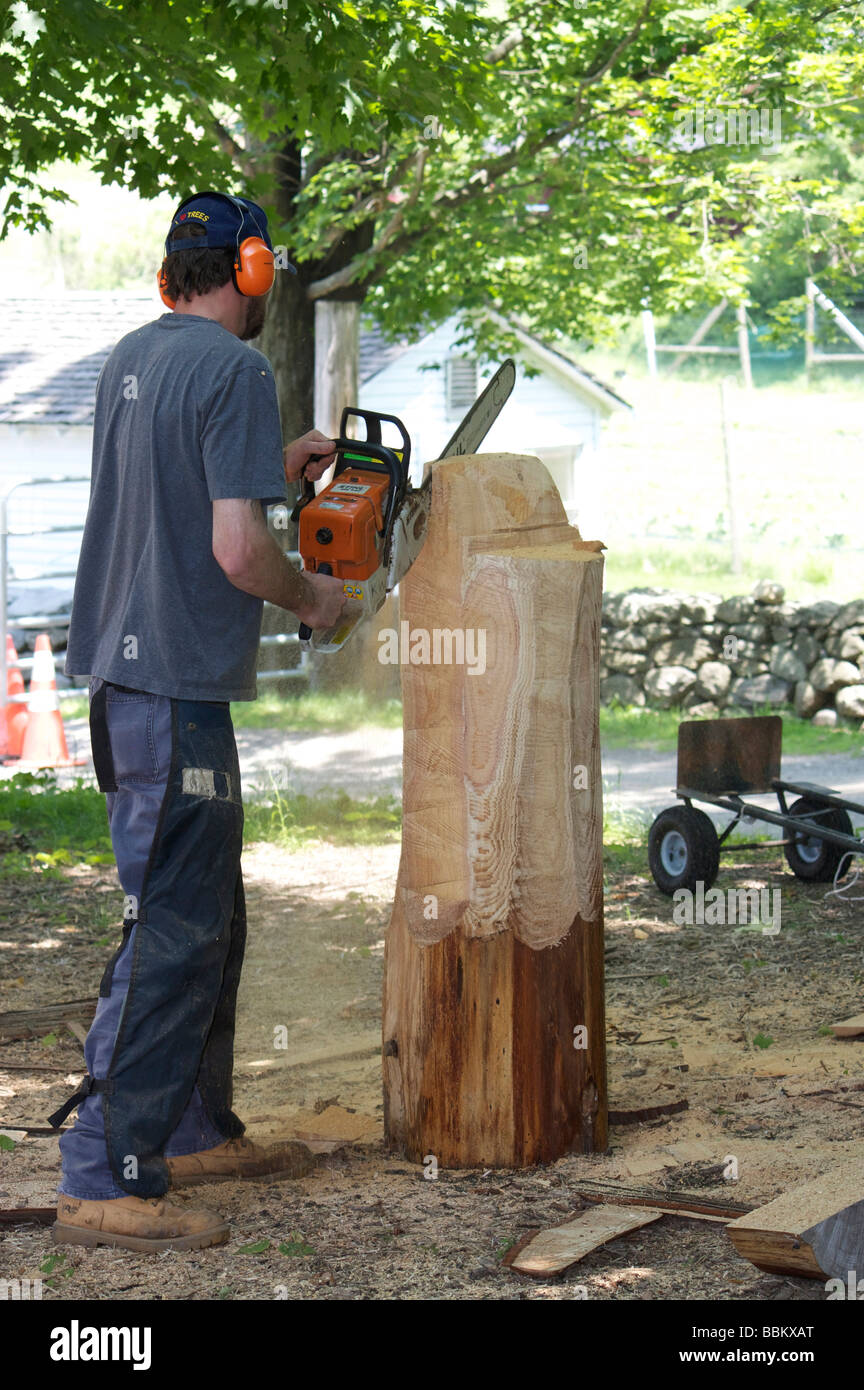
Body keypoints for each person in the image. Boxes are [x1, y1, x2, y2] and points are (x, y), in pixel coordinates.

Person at [52, 190, 348, 1252]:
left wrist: (274, 470)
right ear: (253, 269)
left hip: (133, 685)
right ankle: (99, 1175)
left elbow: (184, 501)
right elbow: (234, 552)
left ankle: (187, 1126)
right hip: (174, 692)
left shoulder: (131, 359)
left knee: (207, 916)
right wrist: (313, 598)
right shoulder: (234, 370)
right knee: (172, 929)